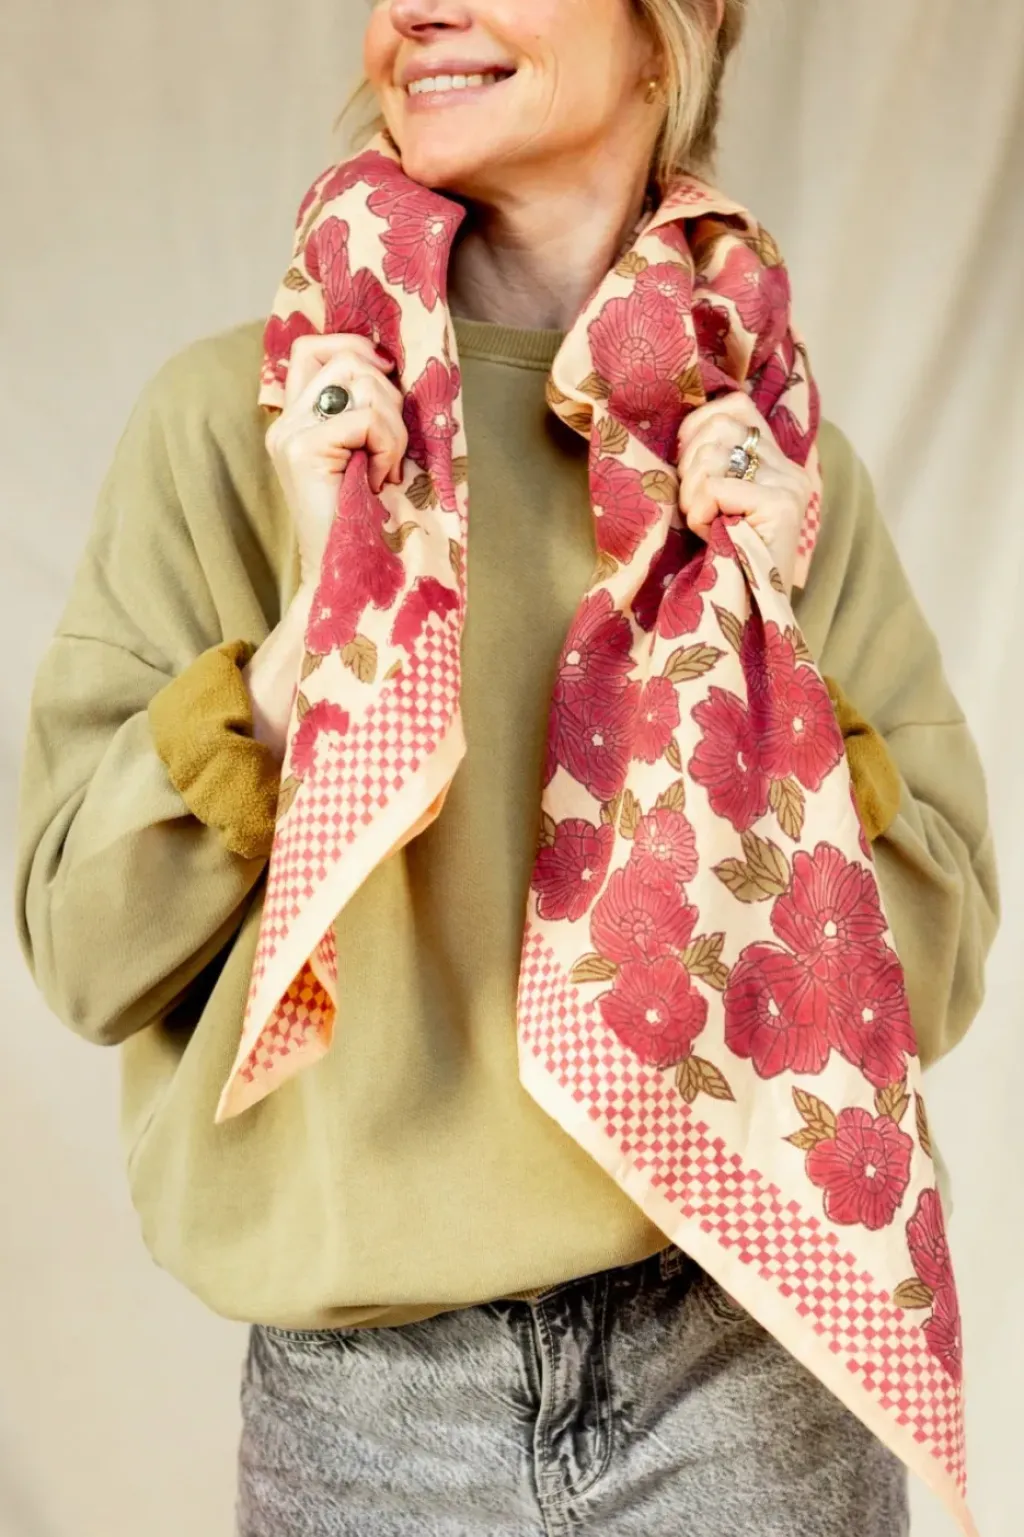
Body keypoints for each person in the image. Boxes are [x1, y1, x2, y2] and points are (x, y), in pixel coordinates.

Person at [15, 2, 998, 1534]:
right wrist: (309, 640)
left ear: (671, 32)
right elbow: (85, 955)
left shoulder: (758, 452)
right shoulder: (250, 418)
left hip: (740, 1366)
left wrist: (765, 664)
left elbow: (928, 975)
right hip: (369, 1419)